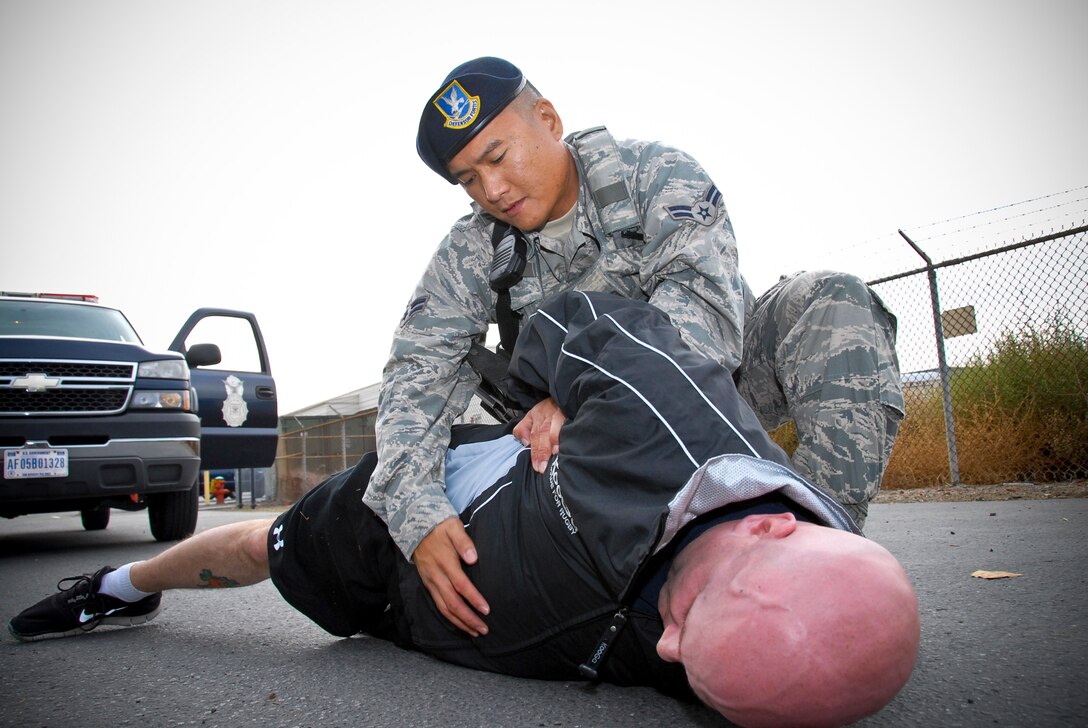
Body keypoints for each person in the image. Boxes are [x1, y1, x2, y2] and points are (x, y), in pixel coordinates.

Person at [9, 292, 920, 728]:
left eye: (680, 664)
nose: (666, 649)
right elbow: (573, 319)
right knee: (259, 544)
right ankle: (119, 583)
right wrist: (544, 390)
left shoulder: (755, 630)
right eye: (687, 623)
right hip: (417, 520)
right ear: (770, 520)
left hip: (415, 627)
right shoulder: (673, 421)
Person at [374, 56, 905, 636]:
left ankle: (821, 546)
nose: (492, 190)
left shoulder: (653, 175)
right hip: (581, 445)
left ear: (548, 120)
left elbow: (704, 323)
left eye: (497, 157)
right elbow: (415, 374)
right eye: (469, 180)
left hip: (719, 385)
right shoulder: (473, 251)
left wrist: (583, 391)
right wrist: (417, 515)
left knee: (834, 300)